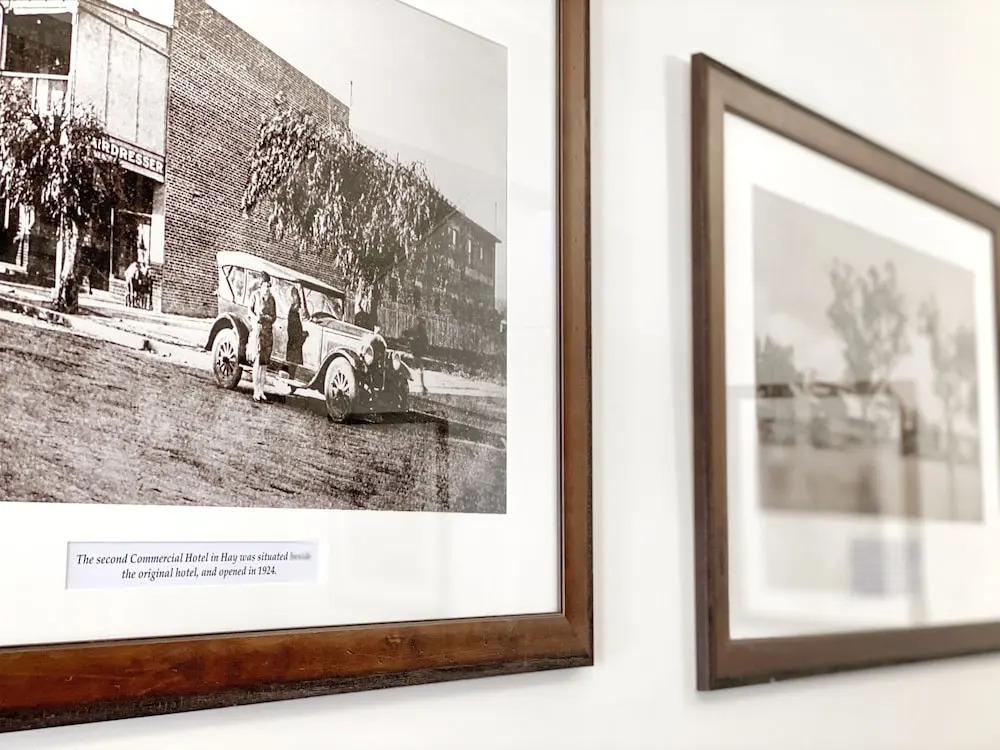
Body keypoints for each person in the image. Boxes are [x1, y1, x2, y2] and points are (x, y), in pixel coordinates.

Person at [248, 272, 276, 403]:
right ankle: (255, 390)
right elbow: (250, 311)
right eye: (265, 285)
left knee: (264, 364)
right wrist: (256, 319)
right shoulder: (255, 296)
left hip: (268, 333)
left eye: (269, 286)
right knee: (257, 362)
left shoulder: (272, 299)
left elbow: (274, 317)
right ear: (261, 286)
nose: (267, 288)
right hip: (258, 332)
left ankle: (261, 390)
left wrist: (266, 317)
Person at [286, 286, 308, 379]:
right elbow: (293, 332)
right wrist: (303, 335)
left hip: (295, 344)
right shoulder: (293, 313)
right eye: (296, 298)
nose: (299, 302)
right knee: (292, 363)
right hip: (294, 344)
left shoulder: (294, 313)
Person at [404, 317, 429, 394]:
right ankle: (421, 386)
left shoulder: (421, 331)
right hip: (416, 352)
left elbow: (425, 342)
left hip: (417, 352)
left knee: (417, 368)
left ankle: (422, 386)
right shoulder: (419, 331)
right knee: (418, 369)